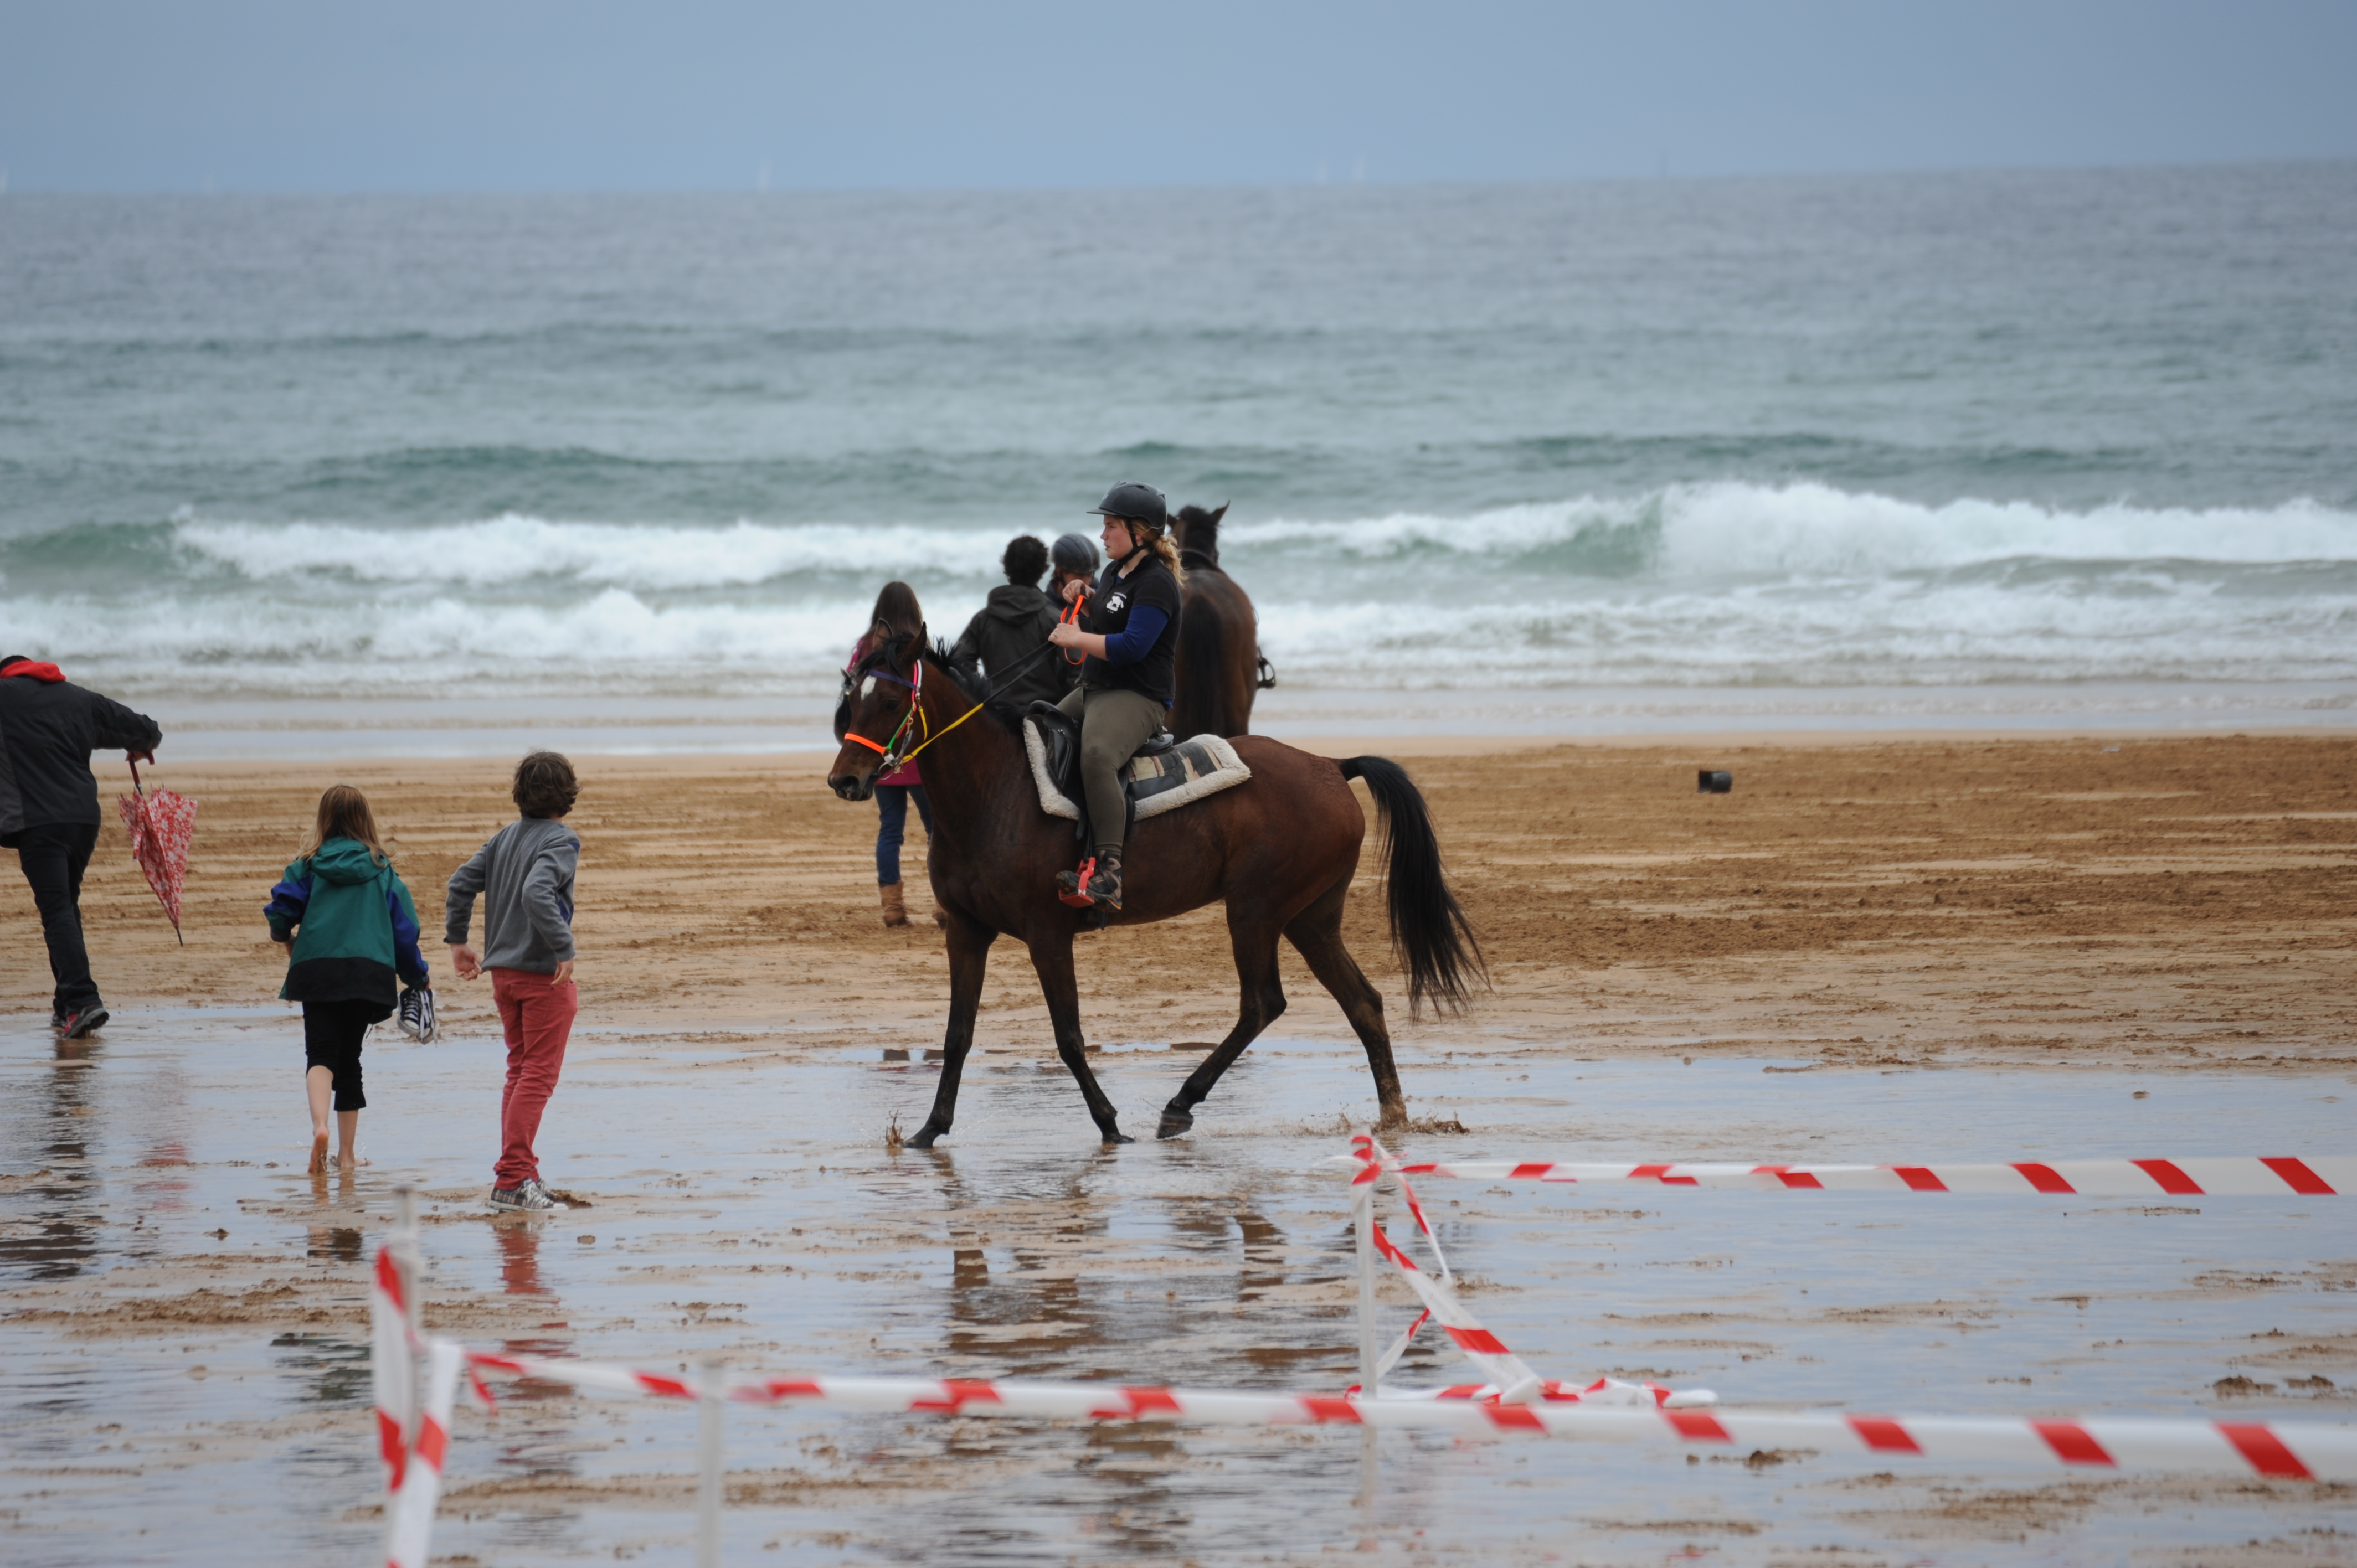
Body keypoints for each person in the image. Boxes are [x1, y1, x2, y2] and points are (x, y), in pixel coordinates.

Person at [263, 786, 430, 1175]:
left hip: (317, 969)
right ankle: (348, 1156)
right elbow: (404, 932)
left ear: (324, 820)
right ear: (365, 821)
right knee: (350, 1059)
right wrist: (417, 976)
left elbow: (281, 910)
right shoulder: (382, 870)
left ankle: (319, 1127)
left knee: (321, 1054)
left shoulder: (308, 865)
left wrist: (285, 938)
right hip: (367, 974)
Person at [445, 752, 583, 1214]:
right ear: (568, 794)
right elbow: (535, 892)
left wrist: (458, 942)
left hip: (503, 976)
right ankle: (511, 1180)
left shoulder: (504, 837)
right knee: (537, 1076)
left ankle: (523, 1173)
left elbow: (459, 883)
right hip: (542, 976)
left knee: (520, 1071)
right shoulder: (562, 839)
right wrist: (564, 945)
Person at [0, 654, 164, 1039]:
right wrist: (141, 745)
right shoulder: (77, 698)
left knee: (57, 910)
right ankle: (66, 1006)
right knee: (65, 906)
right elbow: (145, 728)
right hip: (83, 820)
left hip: (39, 822)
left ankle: (83, 1000)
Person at [1046, 482, 1186, 912]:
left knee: (1097, 755)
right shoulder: (1113, 573)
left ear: (1138, 533)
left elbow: (1131, 647)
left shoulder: (1158, 583)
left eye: (1111, 526)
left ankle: (1110, 873)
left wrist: (1077, 638)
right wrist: (1086, 598)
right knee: (1038, 728)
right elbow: (1112, 616)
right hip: (1097, 687)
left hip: (1138, 695)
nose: (1102, 535)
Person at [847, 581, 947, 928]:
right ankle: (944, 905)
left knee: (890, 830)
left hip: (881, 753)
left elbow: (856, 695)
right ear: (913, 609)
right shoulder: (918, 649)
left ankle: (893, 909)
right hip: (915, 752)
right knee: (935, 829)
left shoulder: (865, 647)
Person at [947, 535, 1064, 716]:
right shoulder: (1054, 619)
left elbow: (958, 662)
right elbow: (1077, 669)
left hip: (998, 716)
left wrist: (981, 693)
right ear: (1042, 570)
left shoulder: (983, 619)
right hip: (1045, 716)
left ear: (1007, 567)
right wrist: (1065, 708)